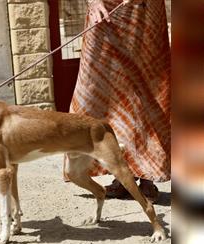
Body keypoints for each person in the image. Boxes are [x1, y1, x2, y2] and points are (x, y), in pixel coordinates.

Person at [63, 0, 171, 203]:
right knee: (96, 87)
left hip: (144, 10)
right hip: (105, 9)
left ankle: (145, 172)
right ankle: (118, 170)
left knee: (148, 86)